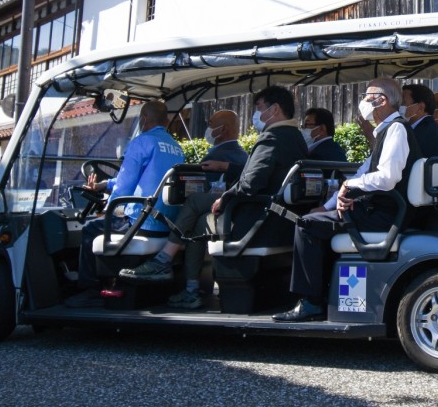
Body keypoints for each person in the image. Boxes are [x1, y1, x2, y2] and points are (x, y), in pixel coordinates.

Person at [124, 87, 307, 309]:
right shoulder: (296, 138)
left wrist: (225, 198)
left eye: (259, 108)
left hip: (256, 219)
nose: (256, 115)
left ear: (275, 109)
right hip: (278, 220)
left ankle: (164, 263)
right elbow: (265, 173)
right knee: (199, 222)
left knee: (194, 203)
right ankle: (190, 289)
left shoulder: (271, 138)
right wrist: (228, 169)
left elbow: (250, 184)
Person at [274, 78, 419, 322]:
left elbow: (387, 178)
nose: (363, 101)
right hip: (380, 210)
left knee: (306, 226)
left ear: (381, 100)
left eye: (367, 96)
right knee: (315, 217)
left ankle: (311, 302)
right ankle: (323, 294)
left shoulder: (396, 129)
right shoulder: (387, 130)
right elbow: (364, 172)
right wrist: (328, 204)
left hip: (385, 215)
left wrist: (349, 186)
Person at [118, 109, 248, 308]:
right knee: (194, 223)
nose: (208, 128)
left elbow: (198, 191)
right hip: (222, 212)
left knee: (193, 211)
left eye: (211, 124)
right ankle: (190, 288)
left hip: (221, 212)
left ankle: (166, 265)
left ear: (224, 129)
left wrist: (113, 204)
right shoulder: (239, 154)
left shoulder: (219, 156)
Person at [65, 100, 184, 307]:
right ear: (165, 121)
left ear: (144, 119)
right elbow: (144, 178)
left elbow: (124, 186)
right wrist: (104, 185)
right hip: (166, 221)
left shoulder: (141, 142)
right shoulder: (175, 147)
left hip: (142, 220)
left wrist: (108, 209)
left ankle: (90, 289)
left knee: (91, 229)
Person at [402, 83, 438, 157]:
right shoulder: (428, 128)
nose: (399, 106)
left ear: (420, 107)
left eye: (403, 102)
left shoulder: (423, 132)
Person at [301, 107, 348, 173]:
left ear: (322, 128)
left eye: (307, 125)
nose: (304, 129)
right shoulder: (335, 148)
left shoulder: (317, 155)